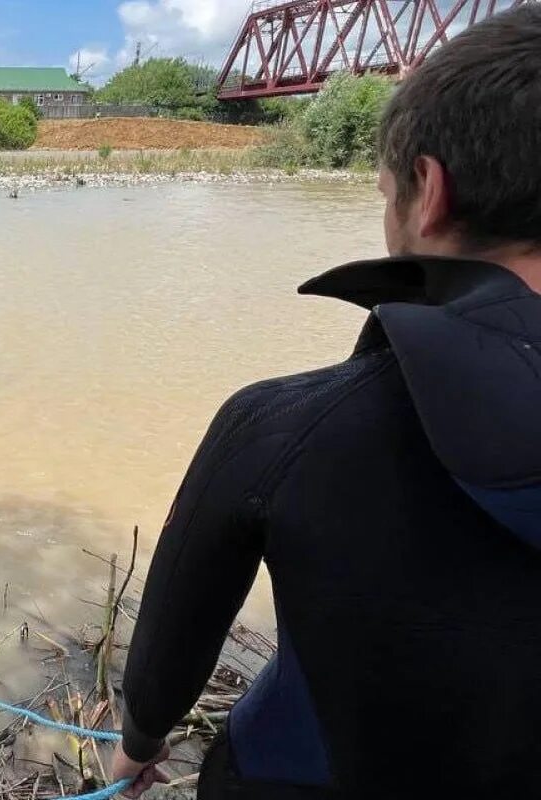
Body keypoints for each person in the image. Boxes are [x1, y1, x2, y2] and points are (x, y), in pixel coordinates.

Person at [111, 6, 541, 799]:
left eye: (387, 193)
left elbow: (173, 638)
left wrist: (137, 746)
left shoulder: (282, 426)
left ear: (430, 193)